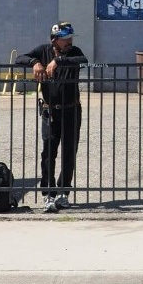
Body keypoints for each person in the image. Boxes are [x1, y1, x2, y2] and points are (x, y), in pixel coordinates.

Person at [16, 21, 88, 213]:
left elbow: (83, 60)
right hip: (50, 111)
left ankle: (64, 192)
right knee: (48, 153)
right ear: (54, 40)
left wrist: (59, 61)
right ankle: (49, 194)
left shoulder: (74, 52)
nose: (69, 42)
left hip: (71, 110)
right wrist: (35, 63)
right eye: (65, 39)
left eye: (70, 38)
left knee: (69, 152)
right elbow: (19, 58)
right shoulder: (43, 51)